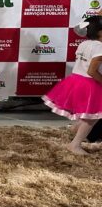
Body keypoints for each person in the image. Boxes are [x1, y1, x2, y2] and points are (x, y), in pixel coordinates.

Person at [43, 15, 102, 155]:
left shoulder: (83, 44)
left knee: (88, 113)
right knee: (92, 117)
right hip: (90, 84)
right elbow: (92, 71)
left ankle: (77, 129)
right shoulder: (100, 47)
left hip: (76, 80)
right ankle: (75, 144)